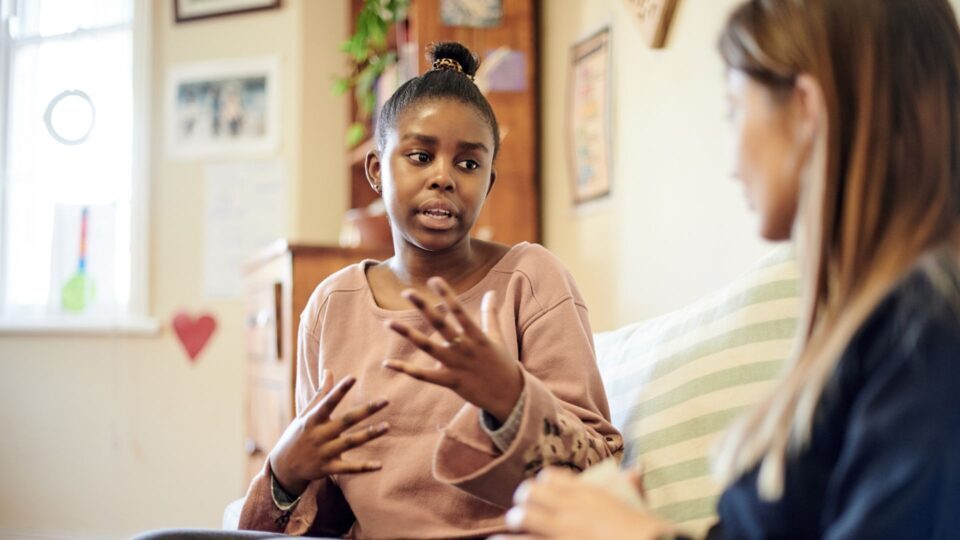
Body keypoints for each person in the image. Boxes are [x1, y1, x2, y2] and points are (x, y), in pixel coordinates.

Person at [501, 0, 960, 538]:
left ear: (806, 111)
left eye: (734, 110)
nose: (733, 159)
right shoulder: (868, 326)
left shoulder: (925, 331)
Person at [237, 42, 622, 538]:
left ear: (488, 181)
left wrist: (510, 397)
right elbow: (322, 519)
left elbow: (599, 473)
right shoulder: (331, 308)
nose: (443, 178)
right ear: (377, 170)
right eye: (420, 156)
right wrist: (286, 472)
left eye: (468, 164)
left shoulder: (531, 280)